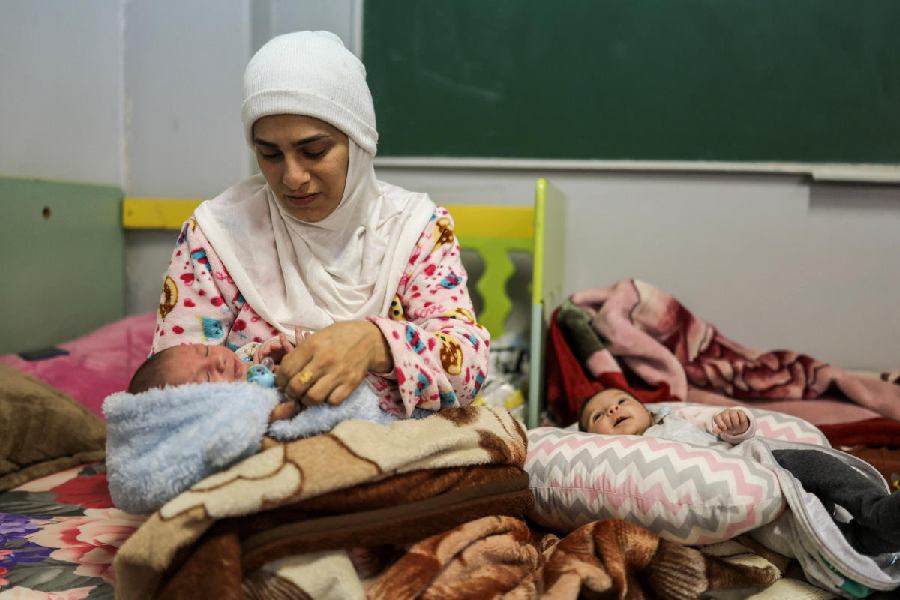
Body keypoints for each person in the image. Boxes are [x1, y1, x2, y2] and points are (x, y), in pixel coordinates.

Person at [151, 31, 489, 420]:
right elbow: (169, 394)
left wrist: (374, 342)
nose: (292, 177)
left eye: (314, 151)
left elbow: (470, 370)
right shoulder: (213, 240)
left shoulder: (416, 231)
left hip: (392, 458)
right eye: (270, 154)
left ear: (358, 142)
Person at [579, 387, 900, 555]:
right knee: (795, 531)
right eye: (598, 417)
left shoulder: (673, 423)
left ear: (647, 411)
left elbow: (723, 436)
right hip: (727, 493)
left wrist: (736, 426)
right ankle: (861, 541)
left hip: (750, 463)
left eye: (621, 401)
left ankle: (875, 509)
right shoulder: (620, 458)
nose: (612, 410)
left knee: (820, 467)